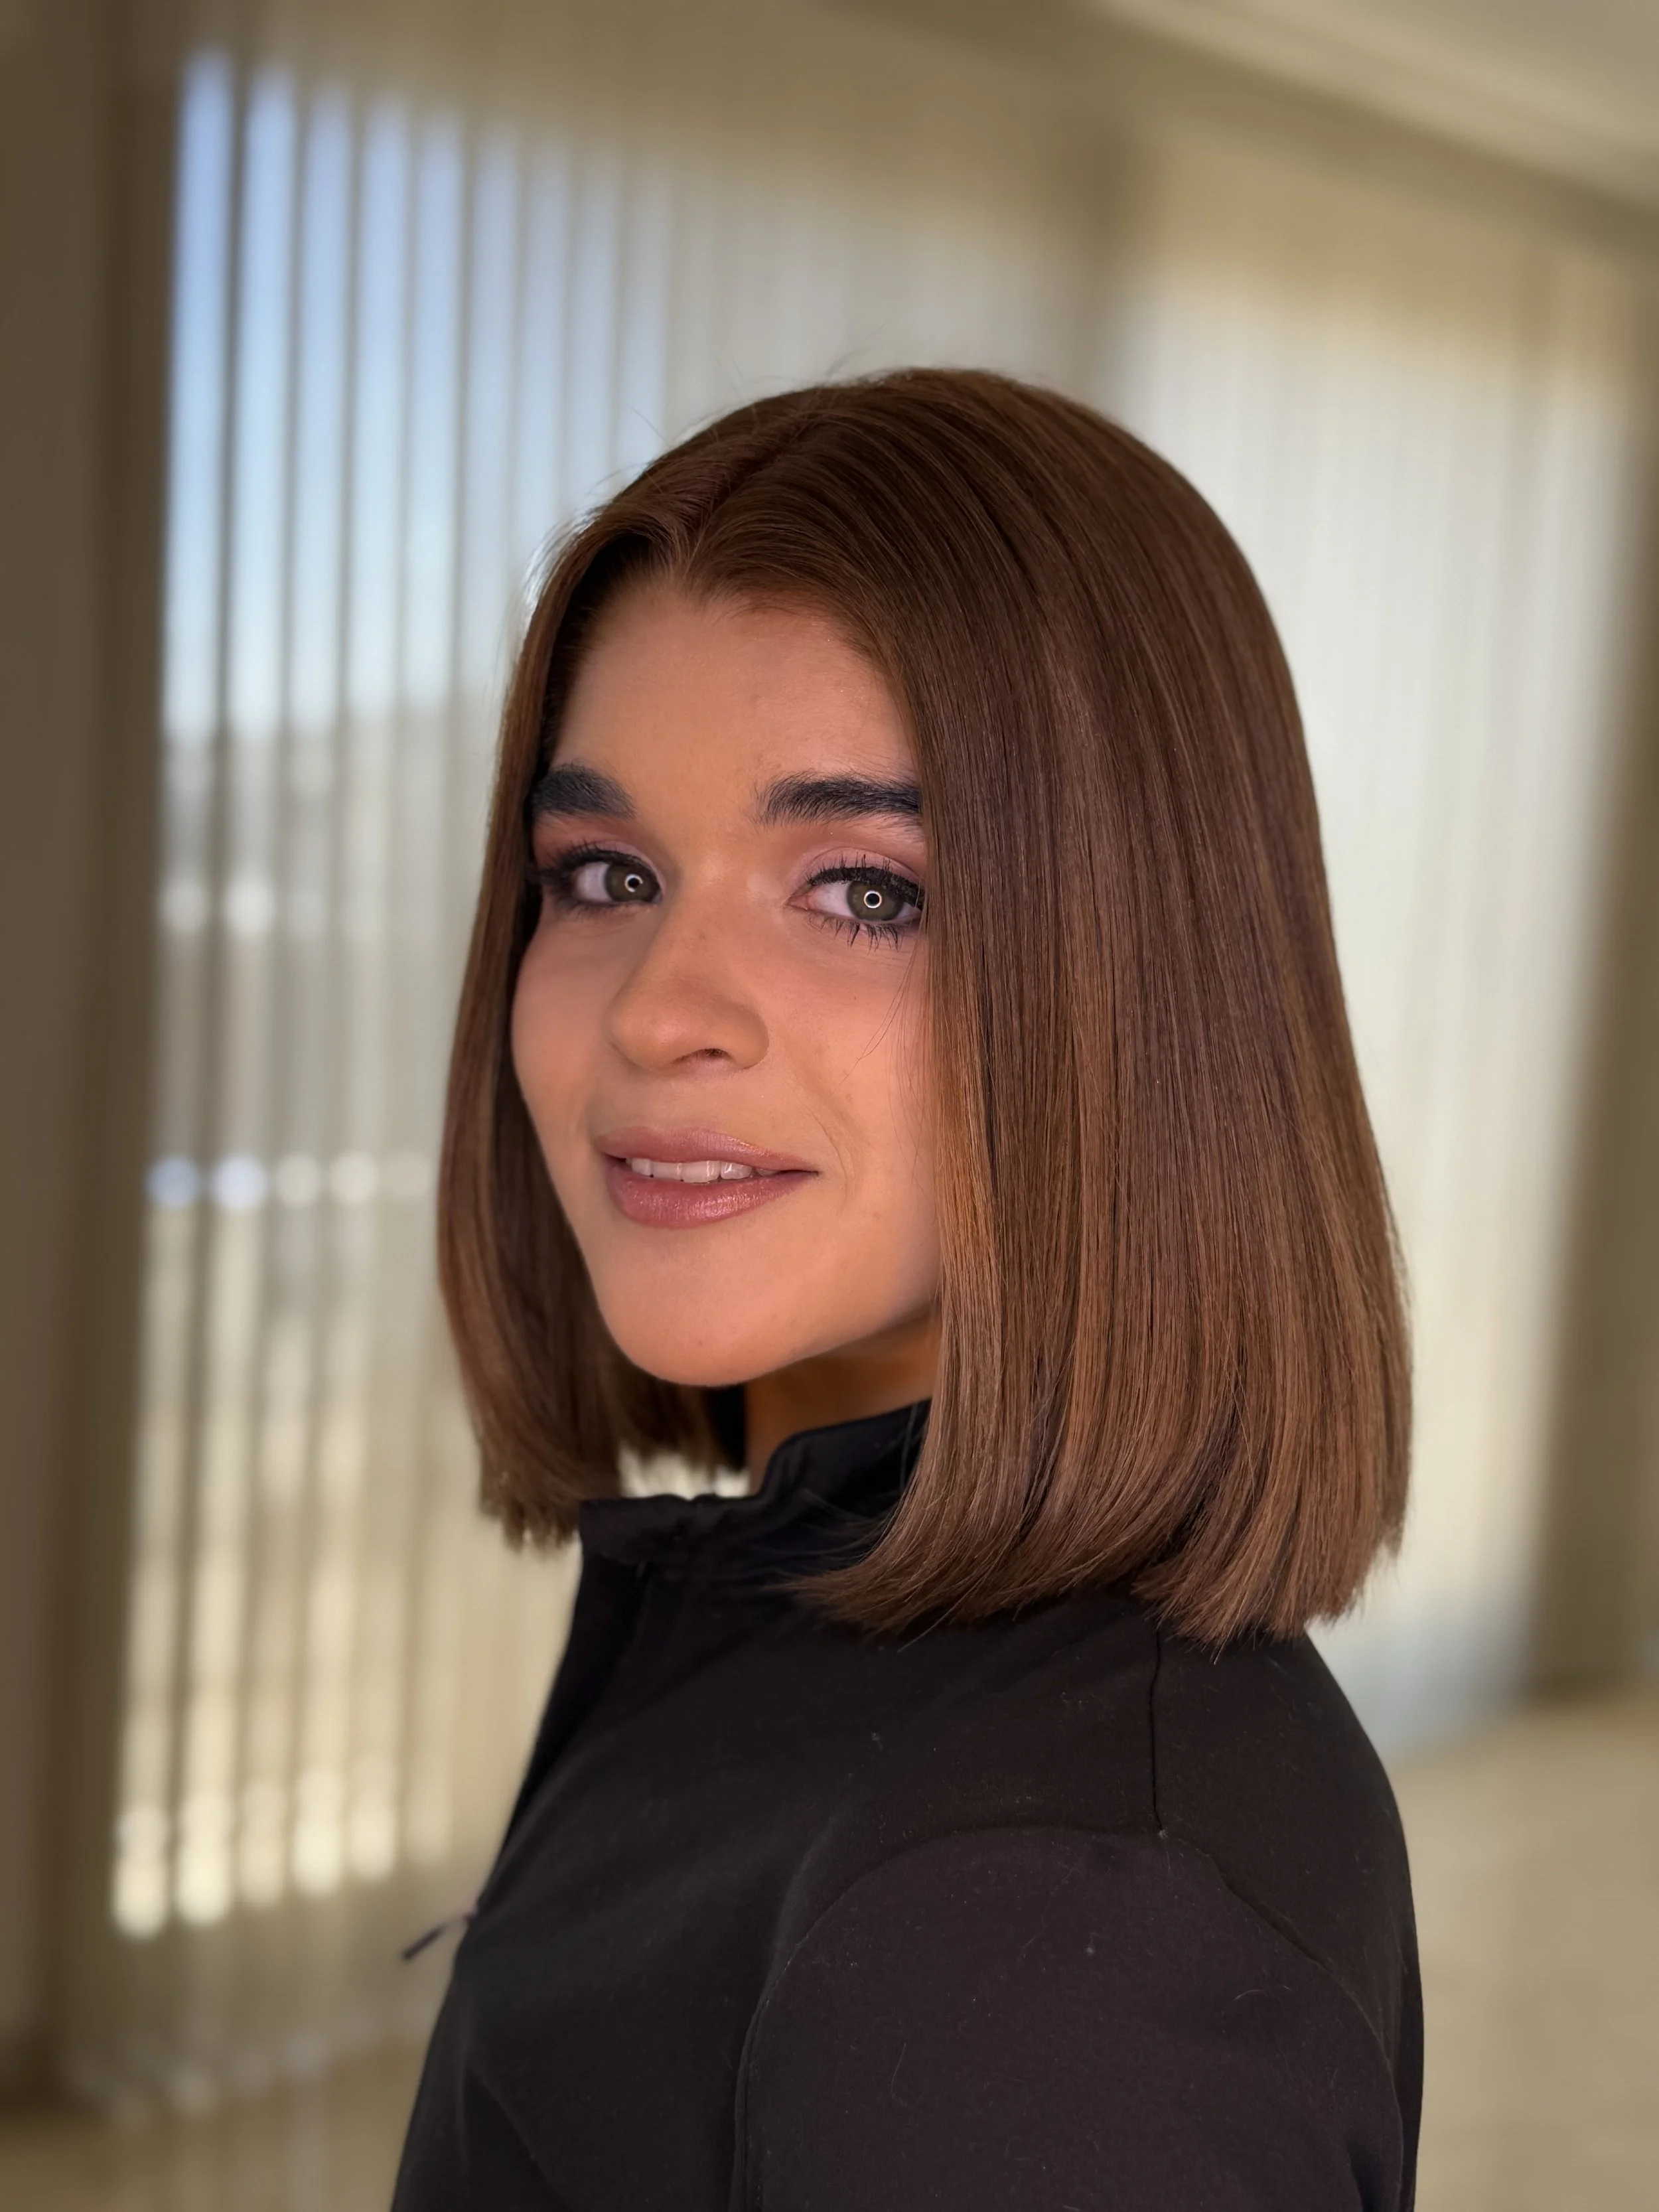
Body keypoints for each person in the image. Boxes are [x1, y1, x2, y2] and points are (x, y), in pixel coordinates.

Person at [393, 369, 1419, 2210]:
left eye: (864, 891)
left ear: (1141, 979)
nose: (658, 1010)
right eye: (607, 872)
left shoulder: (1047, 1931)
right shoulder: (827, 1651)